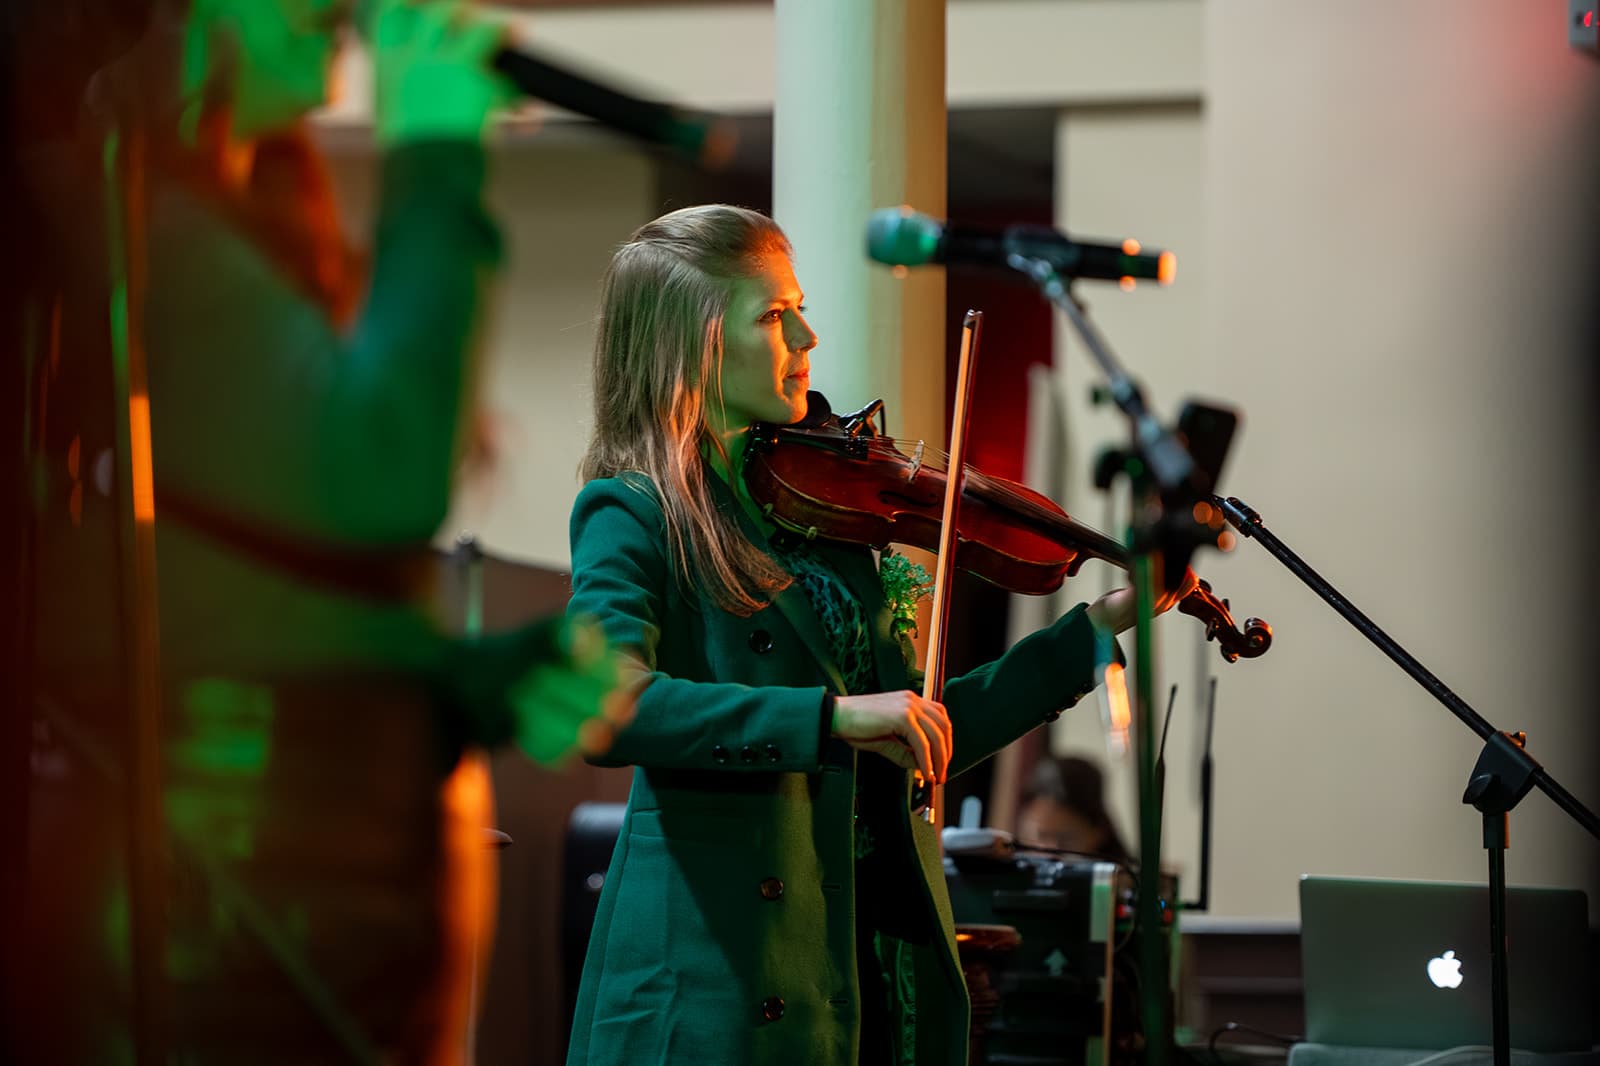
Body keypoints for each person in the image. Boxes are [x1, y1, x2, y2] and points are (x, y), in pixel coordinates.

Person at [17, 2, 629, 1062]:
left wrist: (450, 682)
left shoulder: (234, 232)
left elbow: (231, 585)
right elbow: (383, 474)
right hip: (215, 921)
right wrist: (434, 157)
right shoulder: (111, 221)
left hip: (299, 908)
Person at [564, 204, 1195, 1066]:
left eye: (800, 309)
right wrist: (826, 719)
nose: (807, 337)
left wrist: (1094, 630)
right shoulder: (632, 513)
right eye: (774, 317)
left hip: (853, 960)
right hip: (716, 980)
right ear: (695, 345)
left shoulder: (819, 515)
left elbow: (924, 732)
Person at [1016, 754, 1133, 865]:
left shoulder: (1122, 880)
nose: (1052, 854)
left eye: (1066, 839)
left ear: (1098, 833)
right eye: (1041, 836)